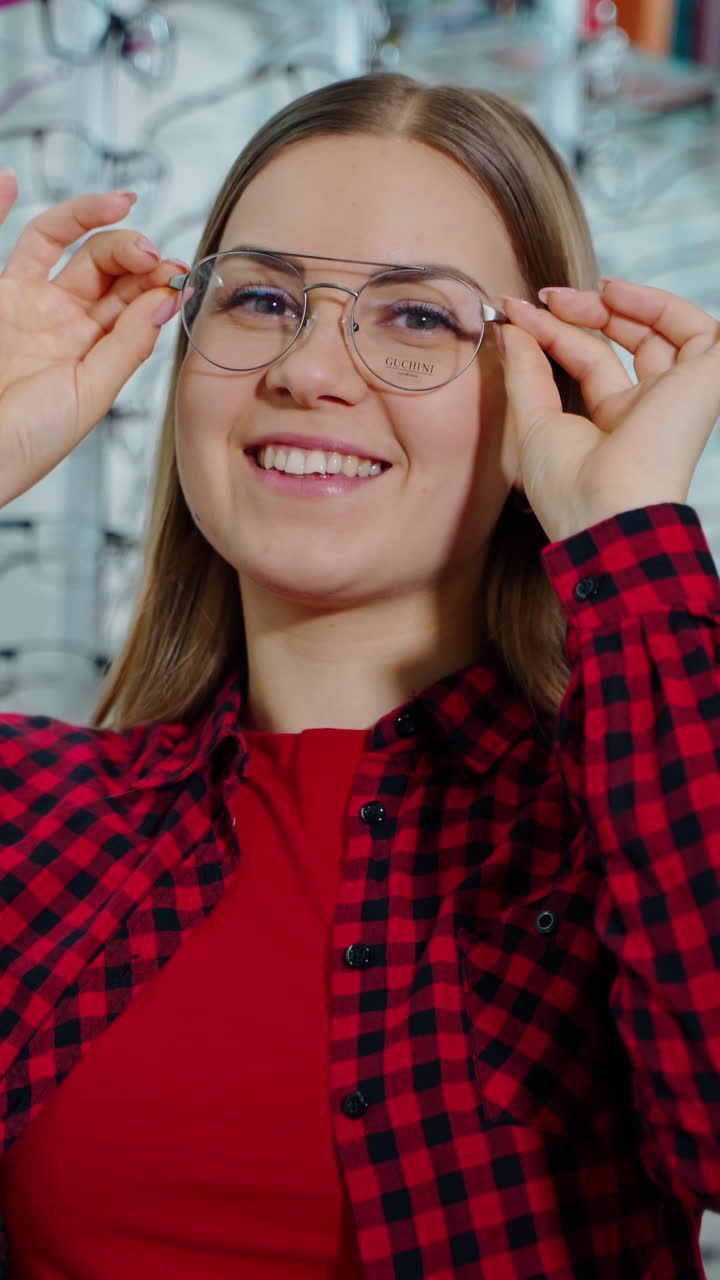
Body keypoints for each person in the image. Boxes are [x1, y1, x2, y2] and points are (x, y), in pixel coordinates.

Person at [0, 70, 718, 1280]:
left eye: (419, 318)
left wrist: (630, 545)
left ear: (541, 384)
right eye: (265, 298)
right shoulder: (35, 813)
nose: (310, 370)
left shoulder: (625, 828)